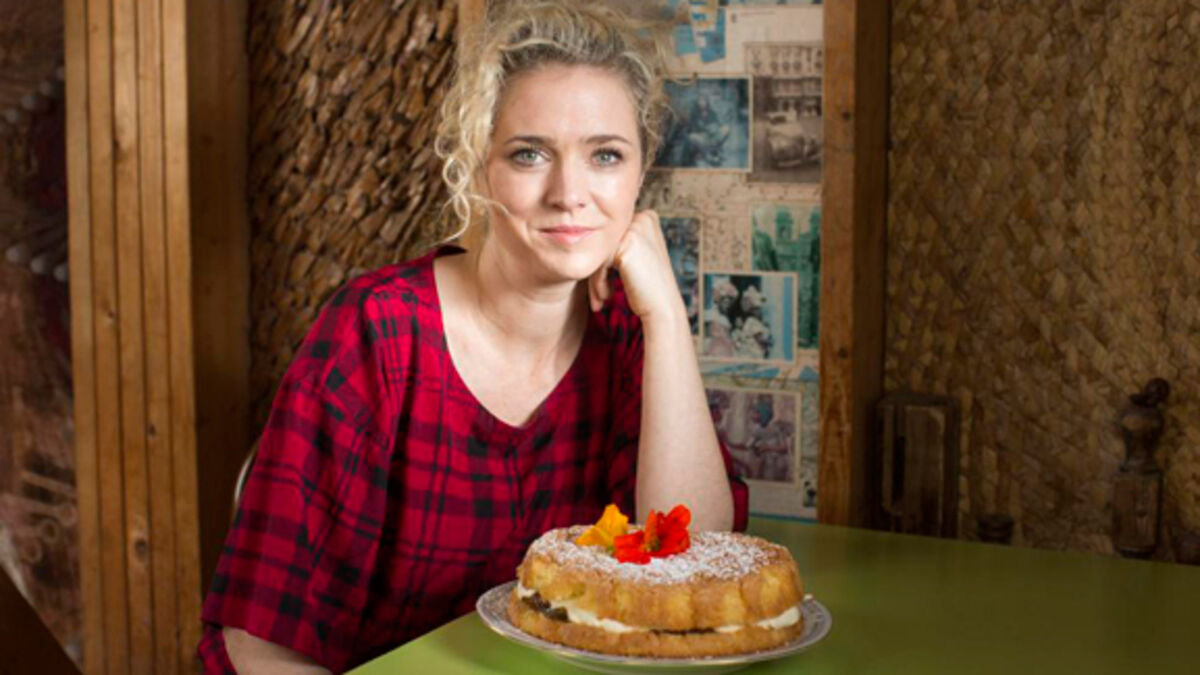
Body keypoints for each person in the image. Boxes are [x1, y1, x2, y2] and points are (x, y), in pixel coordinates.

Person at [197, 1, 748, 672]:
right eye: (529, 154)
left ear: (639, 173)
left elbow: (693, 560)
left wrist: (665, 318)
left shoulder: (629, 336)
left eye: (605, 155)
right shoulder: (377, 333)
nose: (569, 193)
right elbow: (256, 640)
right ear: (479, 165)